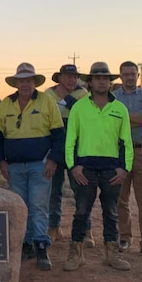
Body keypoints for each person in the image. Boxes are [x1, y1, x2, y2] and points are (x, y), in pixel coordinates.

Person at [0, 63, 64, 271]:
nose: (25, 84)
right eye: (21, 81)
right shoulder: (6, 103)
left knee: (38, 205)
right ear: (16, 83)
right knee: (20, 207)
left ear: (35, 82)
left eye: (29, 80)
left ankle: (42, 246)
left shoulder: (46, 101)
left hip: (40, 165)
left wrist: (53, 160)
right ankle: (25, 244)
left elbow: (59, 134)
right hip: (14, 166)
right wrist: (1, 160)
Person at [63, 62, 133, 272]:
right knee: (82, 210)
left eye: (106, 78)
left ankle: (112, 254)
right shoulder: (79, 107)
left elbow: (126, 142)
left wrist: (124, 168)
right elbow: (70, 141)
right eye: (97, 78)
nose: (102, 81)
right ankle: (76, 253)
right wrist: (73, 166)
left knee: (111, 212)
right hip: (85, 168)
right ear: (90, 82)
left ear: (110, 83)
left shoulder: (120, 108)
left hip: (112, 169)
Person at [113, 61, 142, 256]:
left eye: (133, 74)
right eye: (126, 74)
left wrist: (122, 120)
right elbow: (110, 121)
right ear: (121, 76)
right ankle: (124, 237)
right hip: (119, 152)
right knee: (120, 199)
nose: (130, 77)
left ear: (137, 75)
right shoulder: (112, 97)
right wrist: (133, 119)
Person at [44, 64, 91, 243]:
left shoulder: (83, 94)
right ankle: (53, 227)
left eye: (75, 76)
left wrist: (67, 99)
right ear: (60, 77)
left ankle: (85, 230)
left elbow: (83, 115)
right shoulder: (48, 94)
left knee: (81, 191)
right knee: (54, 192)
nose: (72, 80)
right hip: (54, 150)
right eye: (68, 76)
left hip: (76, 151)